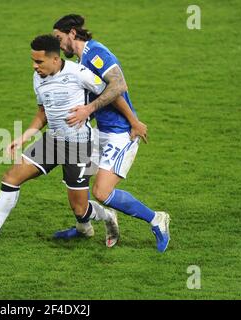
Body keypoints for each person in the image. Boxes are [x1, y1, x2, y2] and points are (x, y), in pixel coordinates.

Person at [0, 35, 120, 254]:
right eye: (33, 61)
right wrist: (24, 136)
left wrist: (90, 110)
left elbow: (112, 91)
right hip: (52, 141)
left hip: (80, 146)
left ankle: (107, 215)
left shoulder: (78, 73)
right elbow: (42, 114)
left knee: (80, 210)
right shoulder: (38, 78)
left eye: (39, 62)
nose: (34, 66)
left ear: (55, 59)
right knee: (10, 178)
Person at [52, 14, 171, 252]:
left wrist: (132, 121)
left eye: (58, 38)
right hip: (99, 132)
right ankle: (86, 226)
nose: (57, 44)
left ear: (72, 33)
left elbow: (117, 87)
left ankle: (157, 219)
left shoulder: (96, 53)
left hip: (120, 134)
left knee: (101, 192)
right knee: (77, 181)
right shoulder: (81, 61)